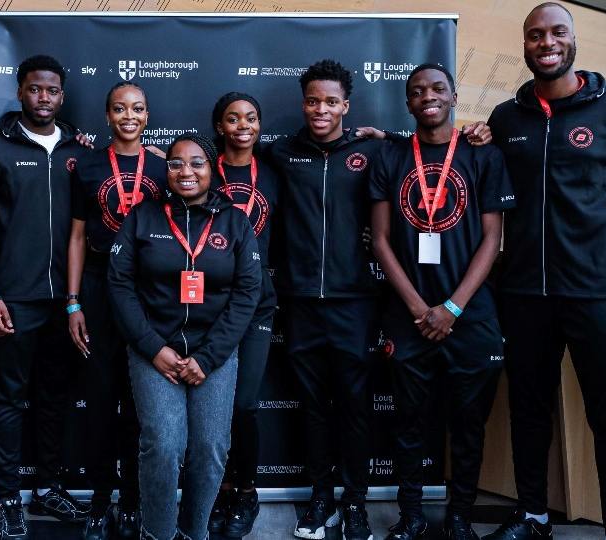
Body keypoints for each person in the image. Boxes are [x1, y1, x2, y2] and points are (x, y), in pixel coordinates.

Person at [265, 59, 493, 540]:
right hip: (301, 301)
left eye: (331, 101)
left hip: (358, 303)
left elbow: (421, 143)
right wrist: (154, 155)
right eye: (313, 101)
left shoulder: (373, 150)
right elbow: (230, 155)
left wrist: (471, 132)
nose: (321, 109)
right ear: (302, 104)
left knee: (354, 406)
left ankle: (355, 505)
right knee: (312, 407)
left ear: (347, 105)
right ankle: (321, 500)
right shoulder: (283, 153)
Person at [483, 4, 606, 540]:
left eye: (557, 33)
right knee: (527, 413)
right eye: (536, 35)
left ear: (573, 40)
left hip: (597, 294)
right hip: (524, 293)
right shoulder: (507, 118)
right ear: (525, 46)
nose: (547, 42)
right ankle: (533, 517)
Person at [370, 64, 515, 540]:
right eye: (416, 92)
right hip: (407, 315)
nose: (427, 97)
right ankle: (410, 515)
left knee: (469, 425)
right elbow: (381, 241)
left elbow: (492, 240)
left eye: (437, 89)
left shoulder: (484, 155)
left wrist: (451, 308)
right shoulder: (390, 156)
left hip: (470, 315)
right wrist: (417, 308)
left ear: (454, 97)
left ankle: (460, 517)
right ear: (407, 104)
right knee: (408, 423)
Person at [107, 134, 261, 540]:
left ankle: (194, 532)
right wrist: (154, 349)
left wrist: (208, 358)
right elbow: (119, 286)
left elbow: (248, 293)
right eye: (176, 163)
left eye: (197, 163)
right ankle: (156, 533)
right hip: (154, 351)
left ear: (212, 169)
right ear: (166, 170)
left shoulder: (234, 221)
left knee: (211, 450)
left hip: (213, 354)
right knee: (163, 446)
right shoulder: (142, 217)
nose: (186, 171)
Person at [0, 54, 91, 540]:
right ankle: (5, 498)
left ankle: (47, 486)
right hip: (12, 300)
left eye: (52, 91)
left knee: (54, 398)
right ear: (20, 91)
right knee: (5, 401)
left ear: (62, 96)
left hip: (65, 300)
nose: (44, 98)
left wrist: (75, 299)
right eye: (35, 89)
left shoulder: (77, 152)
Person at [66, 81, 167, 540]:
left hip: (149, 295)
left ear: (148, 115)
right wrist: (73, 302)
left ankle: (132, 501)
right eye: (120, 108)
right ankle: (100, 499)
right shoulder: (87, 166)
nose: (129, 116)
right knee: (101, 404)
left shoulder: (166, 168)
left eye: (138, 108)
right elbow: (76, 238)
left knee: (140, 405)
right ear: (107, 116)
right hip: (99, 292)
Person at [205, 92, 280, 539]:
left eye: (251, 118)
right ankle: (217, 490)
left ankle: (246, 492)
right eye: (232, 119)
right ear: (220, 127)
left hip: (257, 303)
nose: (243, 126)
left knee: (244, 403)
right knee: (210, 407)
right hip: (206, 302)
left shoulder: (275, 171)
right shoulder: (198, 170)